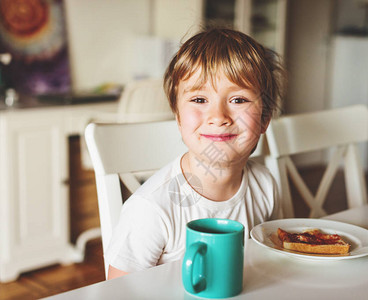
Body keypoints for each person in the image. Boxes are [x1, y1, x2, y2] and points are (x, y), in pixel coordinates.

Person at [106, 28, 286, 279]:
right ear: (178, 117)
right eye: (200, 100)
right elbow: (118, 293)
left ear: (265, 117)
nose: (219, 117)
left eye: (238, 100)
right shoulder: (152, 208)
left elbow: (274, 261)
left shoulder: (265, 185)